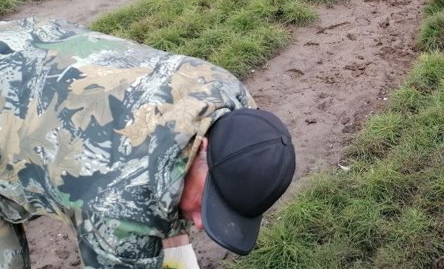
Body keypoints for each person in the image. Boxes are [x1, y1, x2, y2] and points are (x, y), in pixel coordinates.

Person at [0, 18, 296, 269]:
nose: (202, 225)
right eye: (210, 203)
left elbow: (169, 180)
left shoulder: (231, 95)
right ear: (203, 148)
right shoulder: (117, 208)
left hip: (31, 40)